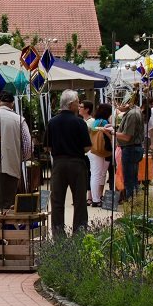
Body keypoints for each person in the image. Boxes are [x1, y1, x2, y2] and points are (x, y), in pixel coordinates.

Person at [0, 90, 32, 212]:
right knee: (7, 204)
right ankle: (5, 230)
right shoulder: (19, 120)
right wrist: (19, 158)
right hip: (10, 166)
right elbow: (28, 146)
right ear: (12, 104)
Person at [48, 90, 92, 236]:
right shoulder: (80, 122)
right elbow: (87, 147)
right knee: (79, 201)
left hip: (59, 163)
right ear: (71, 104)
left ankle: (58, 235)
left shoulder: (52, 122)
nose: (79, 104)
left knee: (57, 201)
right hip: (76, 163)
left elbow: (47, 146)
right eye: (78, 102)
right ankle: (79, 233)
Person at [115, 95, 146, 203]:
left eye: (118, 102)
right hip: (132, 148)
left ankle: (131, 203)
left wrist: (112, 132)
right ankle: (133, 201)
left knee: (129, 179)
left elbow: (127, 136)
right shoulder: (134, 112)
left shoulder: (132, 114)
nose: (116, 106)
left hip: (130, 149)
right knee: (132, 177)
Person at [82, 101, 112, 208]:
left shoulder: (95, 121)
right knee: (97, 174)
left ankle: (96, 198)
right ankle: (96, 199)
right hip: (98, 151)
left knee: (96, 174)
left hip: (93, 150)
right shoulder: (104, 122)